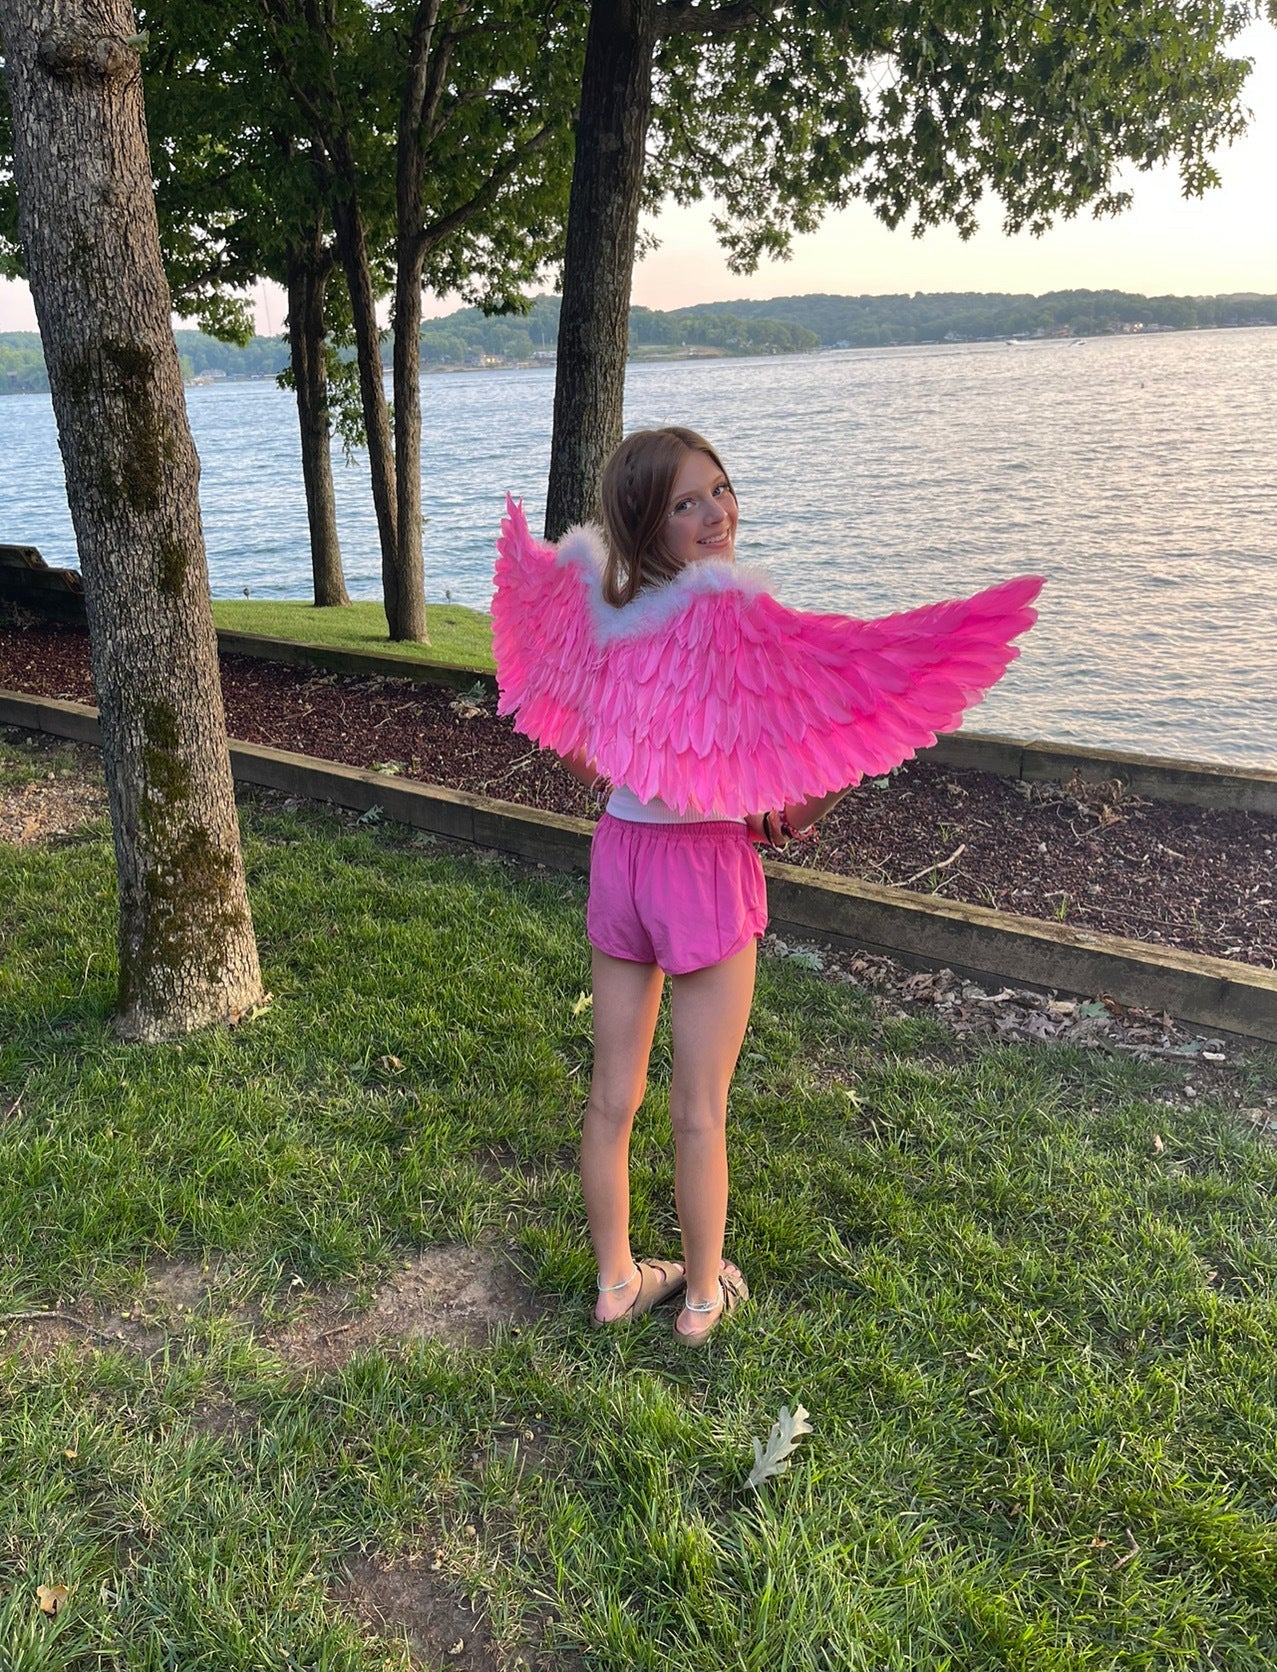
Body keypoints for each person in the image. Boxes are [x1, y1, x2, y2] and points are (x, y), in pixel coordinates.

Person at [558, 427, 850, 1344]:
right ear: (647, 521)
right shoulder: (739, 622)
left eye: (719, 489)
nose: (716, 511)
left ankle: (615, 1282)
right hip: (705, 866)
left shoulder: (607, 622)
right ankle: (698, 1299)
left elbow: (570, 741)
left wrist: (626, 779)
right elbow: (821, 757)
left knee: (612, 1095)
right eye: (687, 502)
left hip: (622, 854)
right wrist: (800, 806)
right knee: (699, 1108)